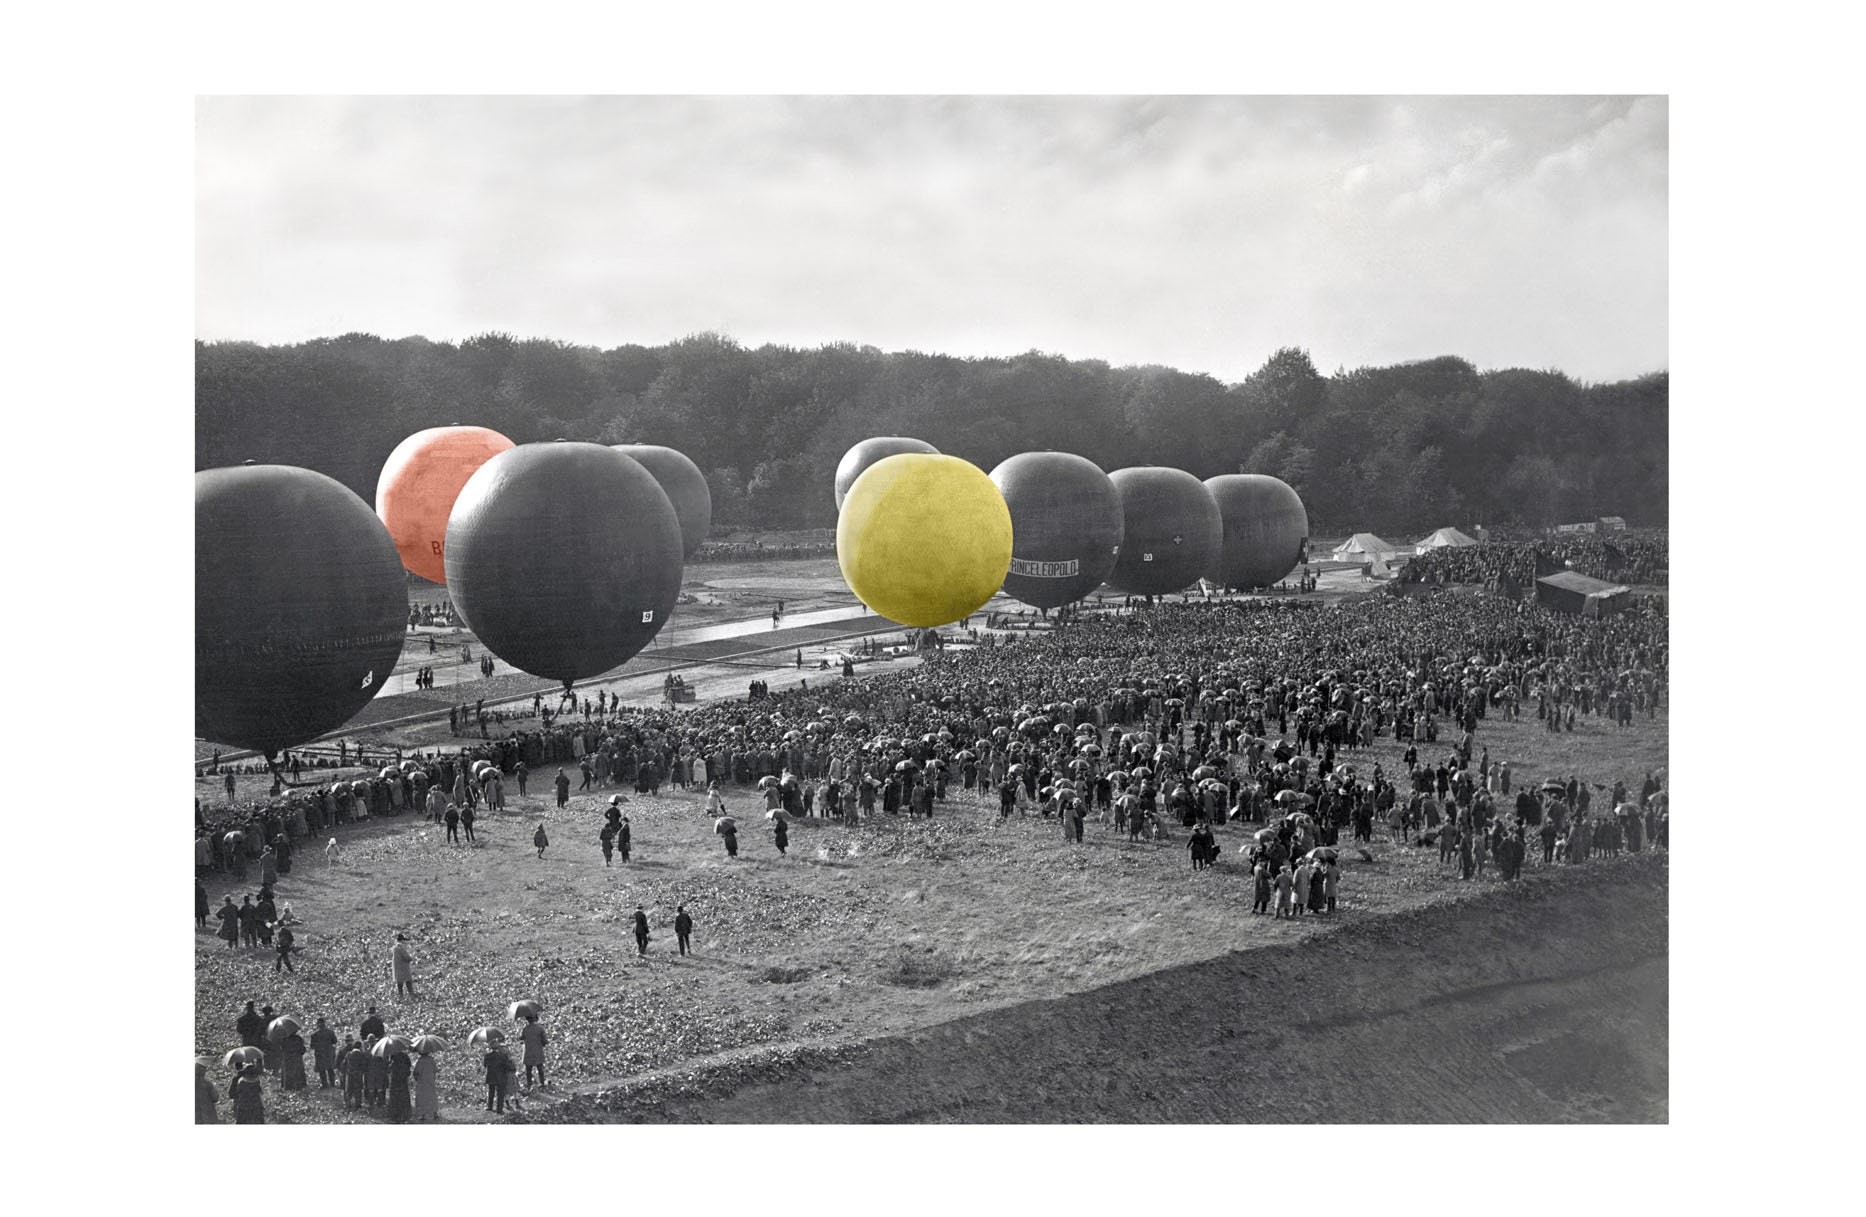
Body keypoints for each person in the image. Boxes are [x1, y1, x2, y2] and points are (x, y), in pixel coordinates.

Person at [484, 1040, 515, 1113]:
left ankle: (490, 1106)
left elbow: (485, 1065)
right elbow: (508, 1066)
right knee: (500, 1094)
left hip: (490, 1075)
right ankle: (499, 1109)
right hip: (500, 1076)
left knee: (491, 1092)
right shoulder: (502, 1056)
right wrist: (512, 1065)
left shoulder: (487, 1056)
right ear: (498, 1047)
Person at [520, 1012, 547, 1090]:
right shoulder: (540, 1028)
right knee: (540, 1068)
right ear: (535, 1018)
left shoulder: (525, 1029)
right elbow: (544, 1041)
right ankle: (542, 1083)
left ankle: (529, 1085)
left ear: (527, 1019)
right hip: (538, 1050)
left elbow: (521, 1039)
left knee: (528, 1070)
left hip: (528, 1051)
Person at [413, 1045, 440, 1122]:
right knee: (432, 1096)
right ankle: (435, 1113)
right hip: (430, 1080)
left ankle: (422, 1114)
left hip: (422, 1082)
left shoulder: (420, 1061)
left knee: (422, 1098)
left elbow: (416, 1072)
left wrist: (416, 1078)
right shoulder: (431, 1060)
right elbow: (435, 1070)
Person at [310, 1017, 338, 1088]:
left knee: (322, 1070)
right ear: (324, 1023)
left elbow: (312, 1046)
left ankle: (324, 1084)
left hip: (320, 1053)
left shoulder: (314, 1034)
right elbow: (335, 1041)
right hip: (329, 1052)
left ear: (318, 1024)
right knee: (330, 1069)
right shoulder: (330, 1032)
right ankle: (332, 1084)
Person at [386, 1047, 413, 1123]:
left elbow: (389, 1069)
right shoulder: (405, 1056)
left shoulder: (392, 1057)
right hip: (403, 1080)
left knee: (395, 1099)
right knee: (404, 1098)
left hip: (395, 1081)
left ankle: (395, 1116)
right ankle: (404, 1116)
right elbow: (409, 1066)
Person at [341, 1037, 368, 1110]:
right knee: (358, 1091)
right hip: (358, 1075)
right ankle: (358, 1105)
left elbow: (343, 1064)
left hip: (349, 1075)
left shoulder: (348, 1054)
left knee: (349, 1091)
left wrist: (344, 1072)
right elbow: (364, 1066)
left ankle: (348, 1105)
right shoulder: (362, 1055)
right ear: (360, 1047)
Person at [392, 933, 417, 998]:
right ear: (401, 940)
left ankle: (401, 997)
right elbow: (407, 958)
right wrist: (412, 957)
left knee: (399, 984)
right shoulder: (400, 947)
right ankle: (411, 996)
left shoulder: (394, 948)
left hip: (397, 968)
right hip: (403, 968)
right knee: (408, 982)